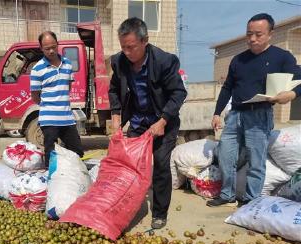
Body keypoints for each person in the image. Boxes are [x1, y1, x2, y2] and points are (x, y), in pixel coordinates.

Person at [207, 13, 301, 207]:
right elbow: (227, 88)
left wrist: (291, 95)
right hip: (235, 114)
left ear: (270, 34)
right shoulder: (238, 60)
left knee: (256, 161)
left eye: (258, 34)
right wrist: (217, 113)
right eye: (249, 34)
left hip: (260, 114)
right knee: (225, 155)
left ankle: (251, 200)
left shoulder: (282, 58)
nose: (252, 39)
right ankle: (227, 194)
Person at [109, 17, 187, 229]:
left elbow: (178, 93)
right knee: (131, 165)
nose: (126, 52)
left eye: (131, 47)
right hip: (138, 120)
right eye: (123, 47)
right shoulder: (119, 61)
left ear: (145, 41)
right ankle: (130, 207)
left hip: (163, 120)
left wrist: (163, 121)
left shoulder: (164, 61)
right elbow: (114, 89)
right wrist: (116, 116)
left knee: (160, 165)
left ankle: (160, 212)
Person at [30, 31, 84, 167]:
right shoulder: (37, 69)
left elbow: (68, 87)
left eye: (54, 46)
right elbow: (35, 96)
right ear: (41, 48)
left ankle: (74, 179)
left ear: (58, 44)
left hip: (67, 118)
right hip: (49, 120)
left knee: (77, 151)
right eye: (47, 48)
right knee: (51, 154)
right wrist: (49, 106)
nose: (51, 51)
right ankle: (51, 181)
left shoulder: (67, 64)